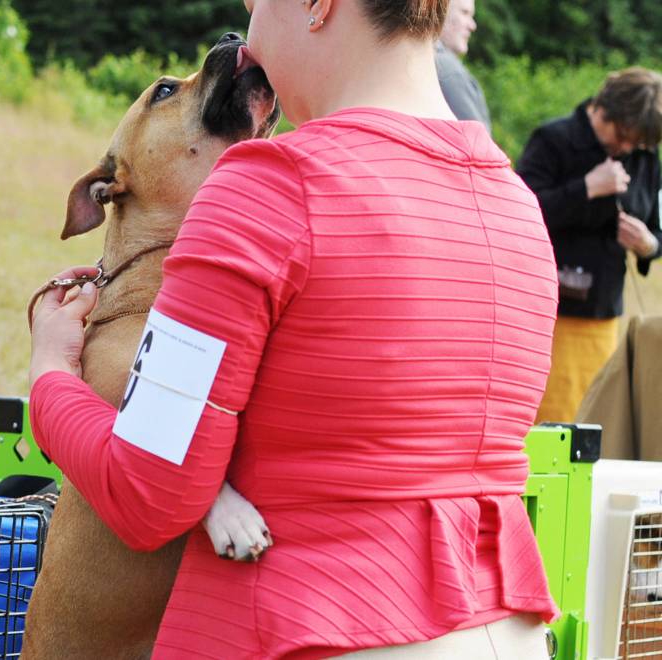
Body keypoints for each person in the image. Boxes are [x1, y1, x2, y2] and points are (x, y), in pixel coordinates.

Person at [28, 0, 559, 656]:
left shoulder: (268, 186)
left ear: (315, 6)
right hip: (502, 625)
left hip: (311, 626)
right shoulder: (518, 207)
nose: (248, 16)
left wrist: (49, 372)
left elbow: (149, 494)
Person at [516, 67, 662, 425]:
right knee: (546, 428)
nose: (628, 148)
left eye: (638, 143)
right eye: (624, 135)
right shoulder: (553, 139)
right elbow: (519, 213)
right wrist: (586, 188)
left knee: (594, 427)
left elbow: (658, 232)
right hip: (549, 317)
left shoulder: (644, 158)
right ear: (605, 109)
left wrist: (647, 243)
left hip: (603, 320)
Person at [435, 0, 491, 131]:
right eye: (464, 13)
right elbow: (478, 145)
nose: (473, 26)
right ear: (438, 11)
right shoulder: (449, 71)